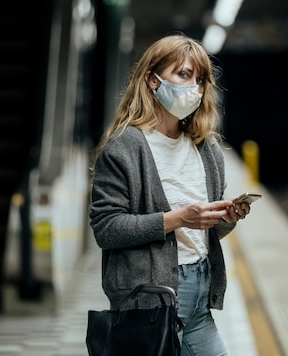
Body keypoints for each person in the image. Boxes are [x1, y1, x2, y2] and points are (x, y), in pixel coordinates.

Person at [89, 34, 252, 356]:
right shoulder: (125, 147)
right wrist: (178, 219)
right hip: (151, 298)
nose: (194, 87)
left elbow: (205, 231)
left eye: (200, 79)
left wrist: (225, 218)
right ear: (152, 79)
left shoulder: (206, 148)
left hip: (200, 289)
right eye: (183, 74)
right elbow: (106, 228)